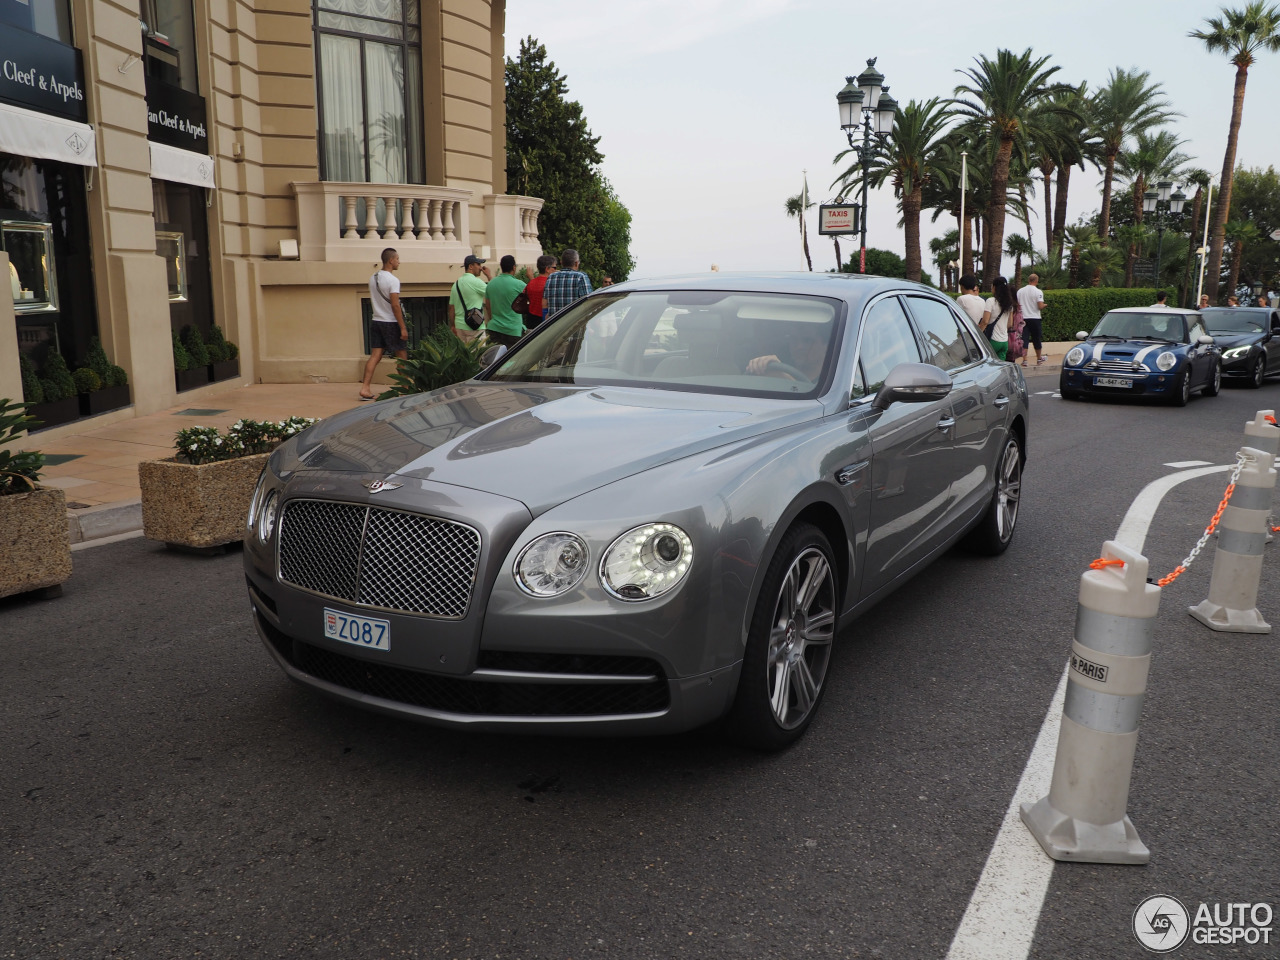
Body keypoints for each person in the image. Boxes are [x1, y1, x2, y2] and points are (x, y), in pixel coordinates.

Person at [360, 247, 409, 400]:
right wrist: (402, 327)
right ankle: (406, 388)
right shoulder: (393, 280)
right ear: (391, 260)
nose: (399, 262)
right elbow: (395, 305)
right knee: (401, 355)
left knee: (375, 355)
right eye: (397, 259)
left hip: (376, 320)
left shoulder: (373, 277)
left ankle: (365, 388)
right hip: (390, 322)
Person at [747, 324, 827, 381]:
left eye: (808, 341)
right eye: (794, 339)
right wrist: (759, 366)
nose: (799, 346)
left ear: (825, 345)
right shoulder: (779, 365)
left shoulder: (832, 377)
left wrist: (785, 378)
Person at [483, 255, 527, 348]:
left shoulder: (491, 284)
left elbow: (488, 306)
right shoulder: (519, 284)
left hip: (494, 328)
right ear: (514, 267)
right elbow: (533, 295)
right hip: (513, 329)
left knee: (497, 359)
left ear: (501, 267)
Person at [541, 248, 592, 321]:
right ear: (576, 263)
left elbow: (544, 303)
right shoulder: (581, 277)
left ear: (561, 262)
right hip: (574, 324)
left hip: (554, 324)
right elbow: (588, 303)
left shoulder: (551, 277)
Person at [449, 254, 490, 343]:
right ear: (471, 266)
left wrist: (453, 325)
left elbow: (451, 308)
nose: (480, 268)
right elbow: (494, 292)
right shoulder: (477, 282)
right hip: (475, 326)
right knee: (478, 355)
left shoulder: (455, 285)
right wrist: (489, 276)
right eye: (478, 264)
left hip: (460, 327)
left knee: (465, 355)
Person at [1016, 272, 1048, 366]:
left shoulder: (1020, 291)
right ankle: (1038, 359)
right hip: (1035, 318)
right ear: (1036, 281)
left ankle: (1025, 360)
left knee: (1024, 339)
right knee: (1036, 338)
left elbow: (1017, 305)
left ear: (1028, 280)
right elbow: (1040, 306)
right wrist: (1045, 305)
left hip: (1023, 318)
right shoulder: (1038, 291)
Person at [982, 276, 1016, 361]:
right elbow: (1010, 324)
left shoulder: (991, 301)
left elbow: (985, 321)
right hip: (1004, 342)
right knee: (1000, 369)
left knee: (989, 365)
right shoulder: (1009, 304)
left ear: (994, 287)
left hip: (993, 340)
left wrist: (978, 332)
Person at [523, 254, 557, 328]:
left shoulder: (531, 283)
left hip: (531, 319)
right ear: (547, 269)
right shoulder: (551, 284)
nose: (556, 270)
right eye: (554, 267)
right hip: (545, 319)